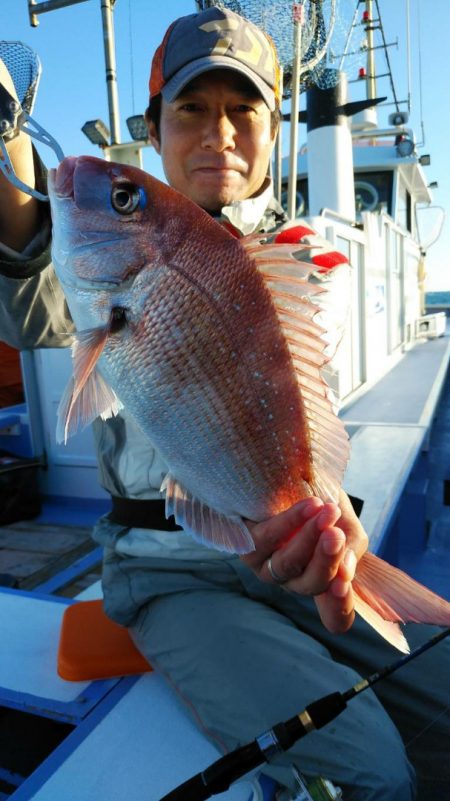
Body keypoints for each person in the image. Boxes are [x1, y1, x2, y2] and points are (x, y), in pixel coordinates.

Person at [0, 8, 448, 800]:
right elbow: (34, 268)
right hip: (169, 575)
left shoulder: (303, 255)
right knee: (377, 767)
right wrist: (6, 137)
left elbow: (306, 426)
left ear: (274, 128)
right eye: (192, 109)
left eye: (243, 110)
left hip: (285, 545)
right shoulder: (117, 259)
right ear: (156, 126)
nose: (218, 134)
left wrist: (333, 530)